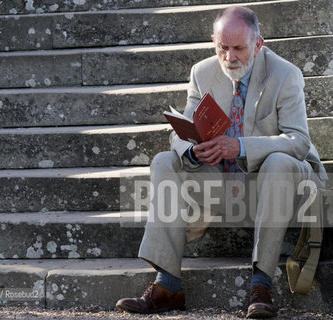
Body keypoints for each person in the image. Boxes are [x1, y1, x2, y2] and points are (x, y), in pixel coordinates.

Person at [116, 6, 327, 319]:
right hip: (223, 186)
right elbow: (181, 131)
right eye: (222, 48)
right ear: (213, 41)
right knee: (164, 161)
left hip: (280, 186)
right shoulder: (202, 73)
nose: (230, 57)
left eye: (239, 48)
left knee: (279, 161)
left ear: (258, 45)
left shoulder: (285, 74)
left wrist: (240, 146)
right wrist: (191, 150)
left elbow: (299, 142)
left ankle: (261, 285)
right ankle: (168, 284)